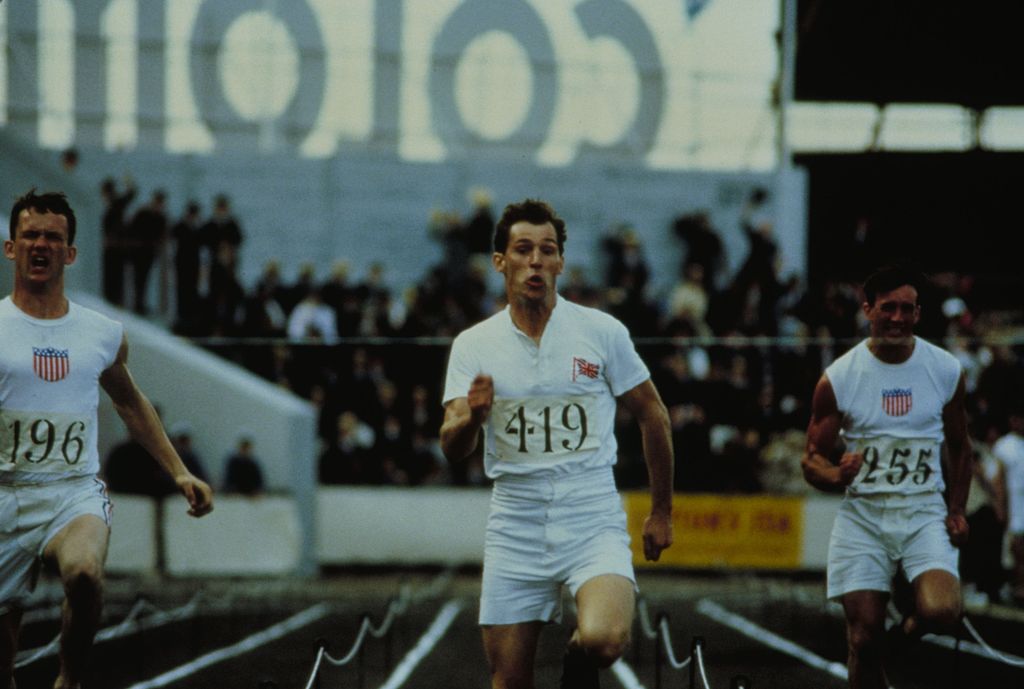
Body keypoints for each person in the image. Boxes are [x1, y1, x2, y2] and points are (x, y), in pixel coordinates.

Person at [440, 199, 674, 689]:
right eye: (522, 250)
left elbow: (653, 413)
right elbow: (452, 445)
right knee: (509, 679)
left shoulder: (601, 332)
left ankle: (577, 659)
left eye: (547, 250)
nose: (536, 261)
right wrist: (475, 418)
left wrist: (661, 511)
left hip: (589, 509)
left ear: (561, 263)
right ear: (500, 261)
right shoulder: (474, 345)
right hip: (516, 518)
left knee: (605, 640)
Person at [1, 190, 214, 689]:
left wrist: (179, 470)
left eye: (53, 237)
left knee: (84, 574)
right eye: (30, 235)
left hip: (71, 492)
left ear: (70, 253)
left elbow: (130, 402)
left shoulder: (100, 333)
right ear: (11, 247)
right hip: (5, 492)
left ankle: (69, 679)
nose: (41, 244)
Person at [802, 265, 971, 689]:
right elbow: (811, 460)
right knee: (862, 637)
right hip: (865, 516)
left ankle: (896, 645)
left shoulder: (945, 369)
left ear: (918, 312)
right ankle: (875, 653)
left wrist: (957, 509)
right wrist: (838, 475)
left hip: (923, 512)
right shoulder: (840, 377)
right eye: (888, 308)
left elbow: (959, 445)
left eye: (907, 309)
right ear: (868, 310)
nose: (897, 318)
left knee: (942, 612)